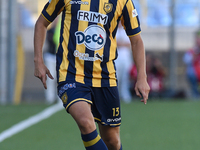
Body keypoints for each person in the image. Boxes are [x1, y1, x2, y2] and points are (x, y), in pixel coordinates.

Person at [34, 0, 150, 149]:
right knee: (85, 122)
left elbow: (136, 40)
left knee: (112, 140)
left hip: (105, 77)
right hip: (71, 74)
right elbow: (41, 23)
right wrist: (38, 60)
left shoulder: (123, 2)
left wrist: (142, 77)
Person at [115, 22, 133, 103]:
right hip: (116, 59)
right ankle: (115, 96)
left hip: (126, 59)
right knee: (116, 78)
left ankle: (125, 95)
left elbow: (130, 43)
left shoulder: (126, 31)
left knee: (125, 78)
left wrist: (120, 44)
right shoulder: (114, 31)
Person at [183, 30, 200, 98]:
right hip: (195, 73)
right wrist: (195, 54)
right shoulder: (192, 50)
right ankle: (195, 95)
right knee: (191, 74)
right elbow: (186, 60)